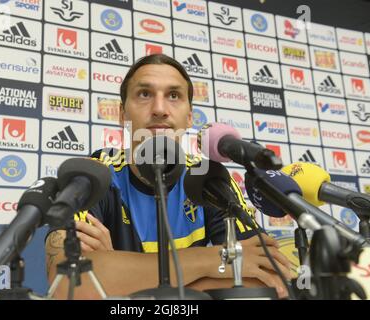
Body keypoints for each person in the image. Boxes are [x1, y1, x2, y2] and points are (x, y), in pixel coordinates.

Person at [45, 54, 292, 299]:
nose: (160, 109)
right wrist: (216, 259)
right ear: (122, 115)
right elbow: (68, 283)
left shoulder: (209, 178)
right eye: (144, 94)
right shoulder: (92, 177)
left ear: (189, 116)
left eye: (174, 96)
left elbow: (268, 274)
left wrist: (118, 275)